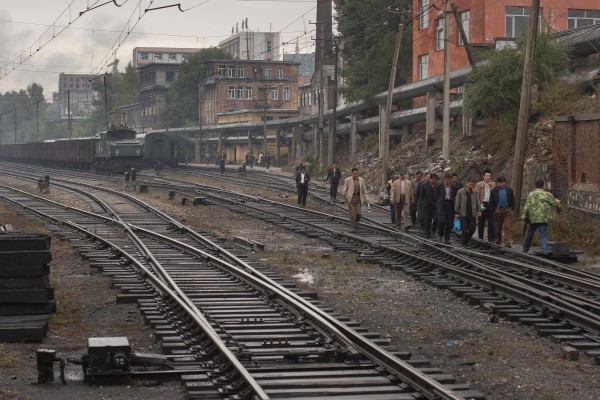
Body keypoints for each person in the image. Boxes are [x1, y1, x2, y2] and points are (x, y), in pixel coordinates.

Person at [522, 179, 562, 256]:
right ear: (543, 185)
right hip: (544, 218)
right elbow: (556, 202)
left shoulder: (531, 194)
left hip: (533, 218)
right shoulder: (547, 194)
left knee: (530, 233)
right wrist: (559, 209)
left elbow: (526, 207)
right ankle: (545, 252)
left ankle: (525, 250)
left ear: (535, 185)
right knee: (543, 234)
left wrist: (525, 217)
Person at [489, 176, 516, 248]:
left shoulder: (509, 190)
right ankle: (498, 242)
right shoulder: (494, 191)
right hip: (498, 210)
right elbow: (491, 202)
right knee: (497, 228)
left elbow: (513, 200)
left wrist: (511, 208)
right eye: (500, 183)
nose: (501, 184)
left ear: (505, 182)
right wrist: (493, 209)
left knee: (507, 226)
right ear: (497, 183)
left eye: (503, 182)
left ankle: (507, 242)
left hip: (507, 210)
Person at [455, 178, 482, 247]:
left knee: (472, 229)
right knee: (464, 230)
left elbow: (478, 202)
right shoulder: (460, 192)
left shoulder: (475, 192)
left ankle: (465, 240)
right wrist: (457, 212)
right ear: (466, 184)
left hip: (472, 213)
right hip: (463, 213)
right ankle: (464, 243)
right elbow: (457, 203)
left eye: (472, 185)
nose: (471, 186)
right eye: (470, 184)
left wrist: (479, 210)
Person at [341, 168, 370, 232]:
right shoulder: (348, 180)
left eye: (356, 173)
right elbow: (344, 189)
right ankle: (352, 227)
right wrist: (346, 196)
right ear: (352, 173)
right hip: (351, 198)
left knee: (358, 213)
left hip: (358, 198)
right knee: (352, 214)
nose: (355, 174)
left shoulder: (361, 180)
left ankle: (356, 223)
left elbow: (364, 190)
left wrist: (367, 199)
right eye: (354, 173)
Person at [435, 173, 457, 244]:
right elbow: (436, 196)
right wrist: (438, 203)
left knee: (449, 222)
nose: (448, 182)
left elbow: (455, 195)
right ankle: (440, 235)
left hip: (450, 204)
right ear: (444, 180)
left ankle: (447, 238)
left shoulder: (453, 187)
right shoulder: (439, 186)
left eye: (449, 180)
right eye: (446, 180)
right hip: (442, 205)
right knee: (442, 221)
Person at [475, 169, 496, 242]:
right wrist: (478, 208)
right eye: (486, 176)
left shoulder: (493, 184)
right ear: (483, 176)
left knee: (491, 222)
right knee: (481, 222)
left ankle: (491, 239)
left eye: (489, 176)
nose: (488, 177)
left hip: (490, 204)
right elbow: (476, 196)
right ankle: (480, 239)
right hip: (482, 204)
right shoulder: (478, 185)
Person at [418, 173, 438, 238]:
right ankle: (428, 232)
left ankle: (433, 229)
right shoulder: (424, 185)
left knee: (436, 219)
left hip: (435, 205)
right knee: (427, 219)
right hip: (426, 205)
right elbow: (421, 195)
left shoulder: (437, 186)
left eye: (436, 180)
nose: (434, 181)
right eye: (433, 180)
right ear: (430, 179)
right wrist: (422, 204)